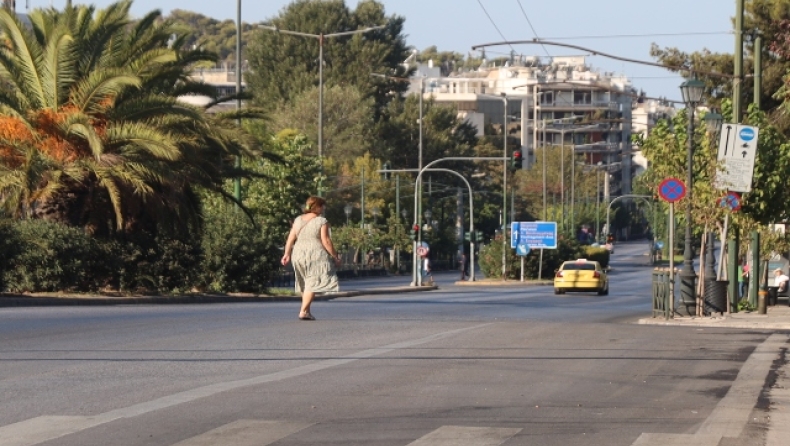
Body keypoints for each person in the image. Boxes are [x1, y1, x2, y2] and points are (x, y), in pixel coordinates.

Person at [281, 196, 341, 321]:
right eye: (323, 206)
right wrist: (335, 256)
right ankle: (303, 311)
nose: (324, 208)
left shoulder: (298, 220)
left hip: (298, 253)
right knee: (312, 283)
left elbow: (290, 238)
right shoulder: (322, 221)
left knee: (305, 282)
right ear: (317, 207)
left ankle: (307, 311)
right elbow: (326, 241)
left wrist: (286, 254)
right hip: (315, 254)